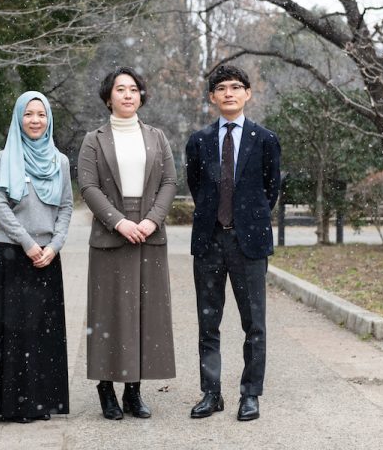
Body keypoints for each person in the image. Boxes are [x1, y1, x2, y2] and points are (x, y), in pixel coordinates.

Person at [78, 67, 177, 420]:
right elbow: (88, 186)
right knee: (109, 313)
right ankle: (106, 387)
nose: (128, 95)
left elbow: (169, 182)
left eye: (133, 89)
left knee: (146, 314)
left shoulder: (157, 137)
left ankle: (133, 391)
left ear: (141, 95)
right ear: (109, 97)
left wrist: (152, 219)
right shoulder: (94, 139)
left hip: (150, 234)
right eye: (120, 89)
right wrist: (119, 221)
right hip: (110, 235)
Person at [185, 65, 281, 422]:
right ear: (212, 96)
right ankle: (211, 393)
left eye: (236, 87)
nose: (229, 93)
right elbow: (196, 186)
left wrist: (246, 221)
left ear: (247, 94)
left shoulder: (265, 139)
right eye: (222, 88)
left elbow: (271, 189)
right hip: (209, 241)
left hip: (249, 243)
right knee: (208, 322)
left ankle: (250, 394)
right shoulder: (199, 141)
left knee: (254, 323)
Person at [0, 91, 73, 423]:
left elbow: (66, 207)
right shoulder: (5, 158)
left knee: (42, 331)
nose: (35, 120)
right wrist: (27, 243)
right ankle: (10, 404)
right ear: (19, 118)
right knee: (12, 329)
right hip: (12, 253)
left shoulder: (59, 161)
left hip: (48, 256)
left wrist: (54, 245)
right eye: (29, 114)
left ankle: (40, 403)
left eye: (41, 114)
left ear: (49, 120)